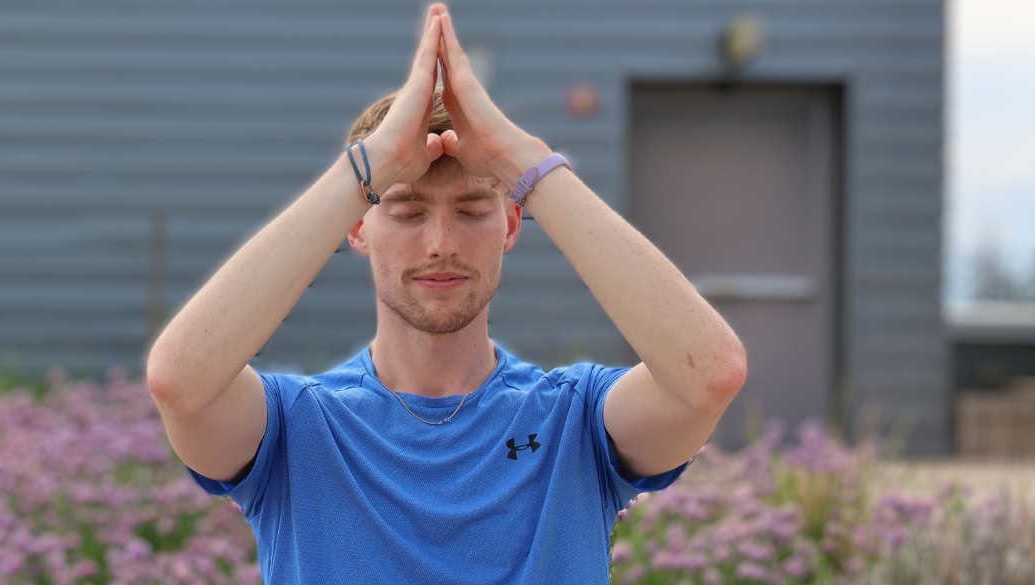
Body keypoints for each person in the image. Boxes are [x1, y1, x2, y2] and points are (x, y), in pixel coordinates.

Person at [143, 4, 748, 583]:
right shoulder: (297, 428)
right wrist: (368, 169)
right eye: (405, 210)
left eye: (472, 209)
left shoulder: (574, 419)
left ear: (511, 225)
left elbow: (710, 374)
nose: (440, 243)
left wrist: (523, 162)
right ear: (356, 226)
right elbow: (180, 383)